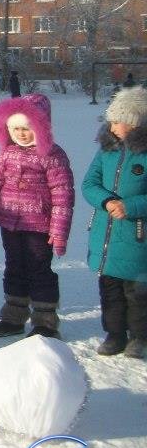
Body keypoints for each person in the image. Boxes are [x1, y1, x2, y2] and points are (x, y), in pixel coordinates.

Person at [0, 94, 74, 339]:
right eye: (16, 129)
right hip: (10, 223)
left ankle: (45, 321)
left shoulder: (52, 155)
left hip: (39, 225)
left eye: (27, 128)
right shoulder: (6, 153)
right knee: (13, 267)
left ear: (42, 127)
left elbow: (63, 195)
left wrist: (59, 231)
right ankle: (13, 316)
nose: (21, 134)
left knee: (39, 269)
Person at [82, 87, 147, 358]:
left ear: (135, 123)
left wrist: (131, 206)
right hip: (105, 235)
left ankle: (139, 338)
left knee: (136, 294)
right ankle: (114, 334)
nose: (112, 125)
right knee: (109, 291)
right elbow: (89, 183)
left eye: (118, 120)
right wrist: (107, 201)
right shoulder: (106, 149)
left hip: (136, 236)